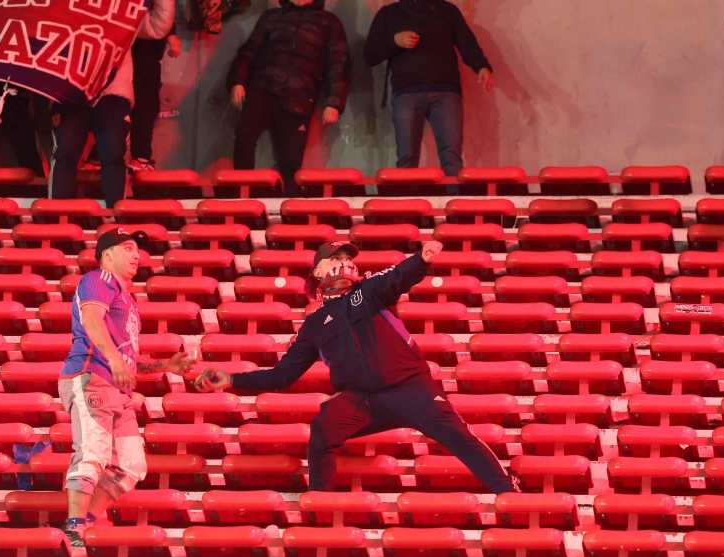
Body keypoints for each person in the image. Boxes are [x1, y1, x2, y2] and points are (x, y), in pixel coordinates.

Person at [194, 241, 520, 495]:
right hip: (362, 400)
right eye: (335, 259)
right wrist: (232, 378)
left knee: (459, 437)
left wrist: (422, 259)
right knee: (324, 427)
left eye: (347, 257)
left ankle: (509, 491)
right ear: (318, 274)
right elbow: (283, 375)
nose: (344, 263)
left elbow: (398, 276)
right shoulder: (314, 324)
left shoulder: (370, 291)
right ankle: (321, 507)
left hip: (412, 388)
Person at [59, 228, 196, 548]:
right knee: (92, 451)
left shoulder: (126, 299)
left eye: (138, 250)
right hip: (91, 375)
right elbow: (91, 320)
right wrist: (115, 362)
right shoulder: (100, 278)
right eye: (128, 248)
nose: (137, 255)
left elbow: (128, 358)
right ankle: (74, 528)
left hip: (115, 387)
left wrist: (166, 366)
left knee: (131, 464)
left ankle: (85, 525)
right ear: (107, 255)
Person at [48, 0, 175, 207]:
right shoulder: (60, 6)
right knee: (65, 153)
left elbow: (158, 26)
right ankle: (54, 223)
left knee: (114, 154)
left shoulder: (121, 10)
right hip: (69, 88)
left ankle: (117, 222)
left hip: (113, 92)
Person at [225, 0, 350, 197]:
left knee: (291, 163)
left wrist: (334, 102)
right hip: (263, 88)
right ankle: (242, 199)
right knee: (244, 137)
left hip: (299, 97)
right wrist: (237, 82)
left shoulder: (329, 22)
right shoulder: (272, 17)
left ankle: (290, 213)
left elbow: (339, 63)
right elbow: (248, 51)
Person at [364, 0, 493, 178]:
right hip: (406, 92)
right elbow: (369, 55)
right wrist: (393, 41)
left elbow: (467, 44)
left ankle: (454, 202)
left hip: (446, 91)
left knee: (451, 158)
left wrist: (482, 67)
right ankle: (408, 205)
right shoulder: (389, 14)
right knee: (407, 158)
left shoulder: (447, 10)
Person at [128, 26, 183, 171]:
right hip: (143, 51)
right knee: (145, 106)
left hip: (119, 50)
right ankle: (141, 159)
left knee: (118, 107)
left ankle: (96, 159)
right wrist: (171, 34)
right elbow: (158, 6)